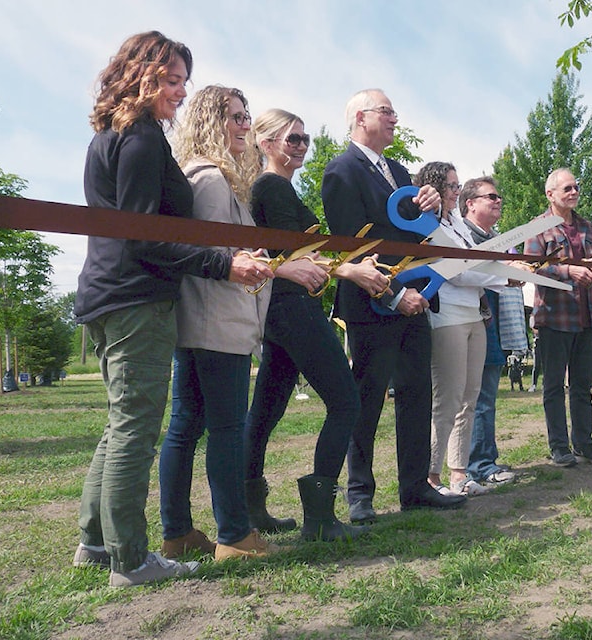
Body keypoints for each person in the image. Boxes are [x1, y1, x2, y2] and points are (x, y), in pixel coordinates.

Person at [73, 32, 270, 587]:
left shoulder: (112, 135)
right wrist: (223, 266)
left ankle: (95, 542)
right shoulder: (138, 138)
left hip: (109, 294)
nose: (179, 92)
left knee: (121, 425)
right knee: (136, 428)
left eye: (183, 81)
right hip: (135, 298)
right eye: (170, 79)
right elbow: (143, 238)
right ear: (139, 73)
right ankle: (131, 559)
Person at [322, 89, 466, 522]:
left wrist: (433, 206)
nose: (395, 118)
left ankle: (415, 486)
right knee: (367, 398)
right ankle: (360, 493)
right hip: (371, 306)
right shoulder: (340, 171)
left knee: (416, 394)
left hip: (416, 302)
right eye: (386, 111)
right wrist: (394, 294)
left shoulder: (401, 172)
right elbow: (350, 249)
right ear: (360, 117)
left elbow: (418, 237)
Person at [243, 108, 387, 541]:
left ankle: (251, 510)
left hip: (284, 311)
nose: (302, 146)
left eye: (305, 139)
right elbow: (296, 255)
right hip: (292, 309)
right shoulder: (271, 187)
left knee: (266, 411)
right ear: (266, 144)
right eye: (293, 139)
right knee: (346, 401)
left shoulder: (276, 189)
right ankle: (320, 518)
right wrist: (352, 271)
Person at [158, 85, 287, 562]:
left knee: (185, 426)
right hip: (218, 320)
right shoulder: (212, 180)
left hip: (200, 323)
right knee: (228, 428)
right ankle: (234, 534)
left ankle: (178, 533)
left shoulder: (199, 176)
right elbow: (220, 256)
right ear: (210, 121)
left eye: (246, 116)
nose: (244, 125)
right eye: (234, 117)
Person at [524, 168, 592, 467]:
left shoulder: (587, 227)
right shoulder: (537, 227)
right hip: (554, 317)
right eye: (567, 188)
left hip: (587, 318)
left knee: (583, 387)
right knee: (554, 386)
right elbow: (532, 267)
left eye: (576, 187)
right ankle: (559, 447)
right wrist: (568, 271)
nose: (573, 192)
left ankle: (584, 444)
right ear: (550, 194)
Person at [416, 164, 504, 497]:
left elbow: (476, 264)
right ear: (435, 188)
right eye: (451, 186)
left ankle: (459, 473)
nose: (456, 191)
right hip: (447, 317)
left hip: (473, 316)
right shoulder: (429, 225)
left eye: (456, 185)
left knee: (469, 397)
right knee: (448, 398)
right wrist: (503, 278)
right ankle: (431, 477)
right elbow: (455, 271)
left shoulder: (457, 224)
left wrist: (501, 273)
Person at [464, 177, 518, 486]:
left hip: (492, 324)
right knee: (477, 399)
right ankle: (479, 466)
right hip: (470, 324)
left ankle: (484, 459)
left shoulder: (494, 238)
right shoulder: (461, 237)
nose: (498, 201)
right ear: (470, 203)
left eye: (499, 197)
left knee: (486, 397)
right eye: (491, 196)